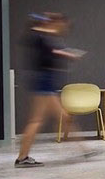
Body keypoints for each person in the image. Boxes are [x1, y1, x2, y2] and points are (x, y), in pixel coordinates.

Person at [14, 13, 83, 167]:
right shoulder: (39, 37)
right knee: (37, 120)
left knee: (63, 117)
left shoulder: (40, 38)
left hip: (45, 82)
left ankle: (84, 149)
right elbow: (52, 52)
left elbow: (53, 50)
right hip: (43, 82)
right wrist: (69, 54)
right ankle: (22, 157)